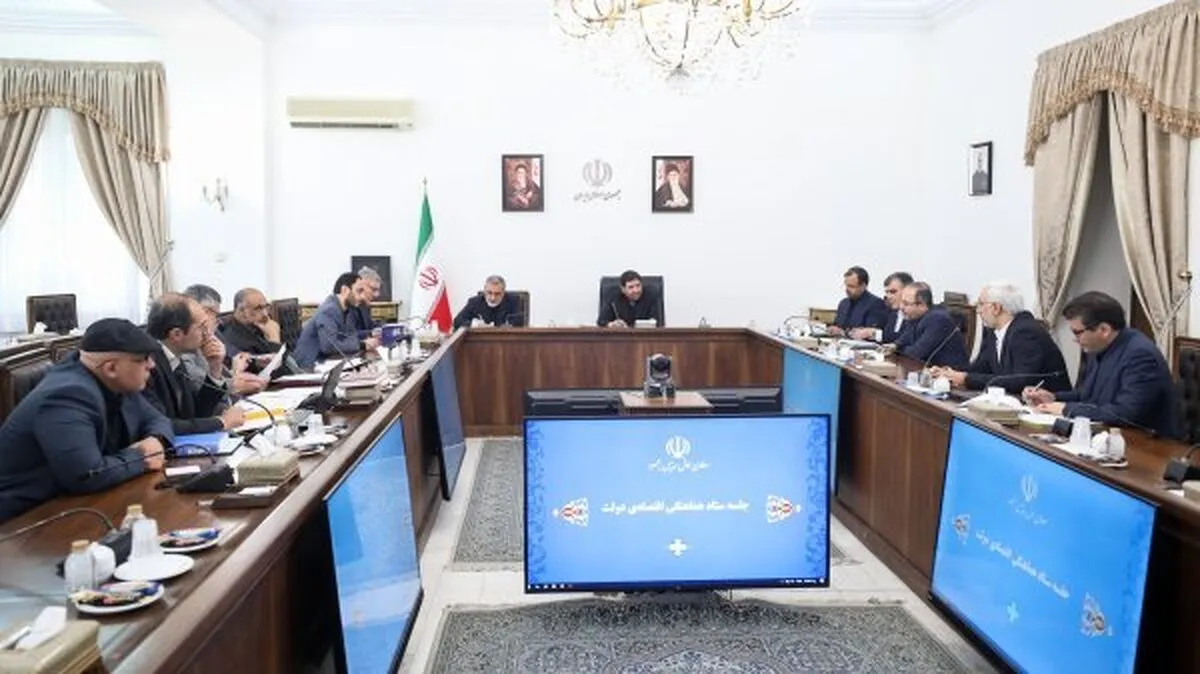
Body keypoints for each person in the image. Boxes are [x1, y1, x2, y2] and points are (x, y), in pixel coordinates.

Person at [0, 318, 173, 522]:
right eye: (143, 359)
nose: (151, 365)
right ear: (111, 368)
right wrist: (142, 456)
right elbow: (88, 475)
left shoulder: (114, 380)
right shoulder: (67, 395)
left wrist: (156, 439)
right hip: (23, 519)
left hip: (72, 503)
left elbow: (157, 419)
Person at [1023, 291, 1179, 437]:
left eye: (1077, 332)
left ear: (1104, 330)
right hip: (1106, 435)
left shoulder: (1140, 355)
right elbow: (1087, 395)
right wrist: (1053, 397)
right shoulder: (1099, 347)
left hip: (1146, 444)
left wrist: (1066, 409)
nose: (1074, 339)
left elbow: (1125, 413)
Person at [930, 283, 1070, 394]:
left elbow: (1020, 381)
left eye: (981, 304)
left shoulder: (1025, 332)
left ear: (996, 308)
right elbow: (980, 368)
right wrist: (949, 372)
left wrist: (966, 378)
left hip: (1047, 406)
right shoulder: (994, 331)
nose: (978, 310)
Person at [142, 293, 247, 435]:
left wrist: (215, 368)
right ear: (176, 334)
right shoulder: (146, 365)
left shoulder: (175, 356)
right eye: (202, 327)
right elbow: (162, 425)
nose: (208, 334)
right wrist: (221, 422)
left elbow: (196, 413)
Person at [294, 272, 381, 370]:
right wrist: (363, 345)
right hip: (310, 365)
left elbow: (348, 335)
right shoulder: (329, 310)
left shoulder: (345, 309)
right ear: (345, 290)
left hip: (326, 361)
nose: (361, 297)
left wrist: (369, 336)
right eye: (359, 291)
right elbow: (329, 346)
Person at [219, 287, 300, 377]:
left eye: (266, 307)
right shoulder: (234, 338)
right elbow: (277, 373)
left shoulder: (259, 327)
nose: (265, 314)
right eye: (258, 308)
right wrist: (274, 339)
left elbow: (290, 362)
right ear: (241, 311)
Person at [891, 282, 969, 369]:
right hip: (925, 370)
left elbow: (915, 354)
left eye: (906, 304)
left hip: (949, 374)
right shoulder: (915, 316)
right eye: (901, 302)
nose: (901, 307)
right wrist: (895, 346)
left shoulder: (938, 320)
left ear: (922, 305)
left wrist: (897, 350)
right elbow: (904, 340)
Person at [851, 271, 912, 343]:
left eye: (893, 292)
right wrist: (870, 332)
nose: (888, 296)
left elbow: (905, 339)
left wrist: (874, 333)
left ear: (908, 291)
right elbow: (889, 337)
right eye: (887, 292)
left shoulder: (915, 315)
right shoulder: (893, 313)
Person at [829, 266, 888, 337]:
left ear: (863, 286)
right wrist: (833, 329)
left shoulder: (876, 304)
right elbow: (837, 325)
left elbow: (868, 333)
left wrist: (844, 333)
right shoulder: (843, 303)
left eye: (851, 286)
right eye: (846, 285)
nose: (847, 289)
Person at [597, 270, 663, 328]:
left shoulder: (651, 295)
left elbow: (658, 322)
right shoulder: (613, 297)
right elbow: (601, 321)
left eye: (638, 285)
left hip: (645, 336)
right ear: (623, 289)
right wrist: (612, 324)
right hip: (620, 336)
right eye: (631, 287)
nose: (636, 290)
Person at [453, 275, 524, 328]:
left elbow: (519, 322)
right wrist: (475, 324)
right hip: (480, 341)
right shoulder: (474, 302)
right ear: (484, 290)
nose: (493, 298)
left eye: (497, 294)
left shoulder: (513, 301)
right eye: (489, 293)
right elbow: (457, 321)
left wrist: (505, 326)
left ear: (503, 292)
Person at [348, 266, 383, 338]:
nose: (377, 294)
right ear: (360, 285)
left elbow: (372, 326)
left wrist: (385, 328)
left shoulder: (364, 305)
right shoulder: (346, 305)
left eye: (378, 290)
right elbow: (348, 335)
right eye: (373, 289)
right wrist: (372, 333)